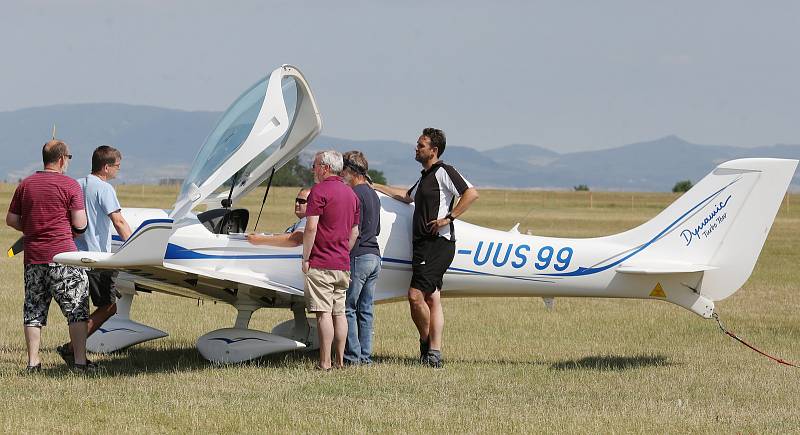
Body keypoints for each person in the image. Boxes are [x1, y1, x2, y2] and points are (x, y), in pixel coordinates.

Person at [373, 128, 479, 368]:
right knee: (432, 297)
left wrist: (448, 218)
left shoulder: (444, 172)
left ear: (434, 150)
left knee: (415, 296)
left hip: (437, 244)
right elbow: (405, 196)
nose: (416, 148)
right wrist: (375, 185)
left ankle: (426, 342)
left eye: (421, 145)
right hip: (422, 245)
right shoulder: (425, 176)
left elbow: (471, 194)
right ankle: (434, 352)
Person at [5, 140, 92, 371]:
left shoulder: (26, 184)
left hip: (33, 257)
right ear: (62, 159)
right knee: (76, 310)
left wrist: (32, 228)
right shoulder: (71, 186)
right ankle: (80, 362)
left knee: (33, 309)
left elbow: (11, 220)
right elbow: (80, 224)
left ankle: (33, 362)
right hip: (64, 257)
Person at [57, 145, 133, 364]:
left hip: (74, 256)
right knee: (109, 307)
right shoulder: (105, 188)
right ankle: (72, 348)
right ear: (106, 167)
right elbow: (118, 221)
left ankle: (74, 349)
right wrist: (135, 247)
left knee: (80, 309)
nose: (119, 170)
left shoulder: (76, 184)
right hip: (97, 259)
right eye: (117, 166)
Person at [302, 150, 360, 371]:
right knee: (340, 312)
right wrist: (342, 251)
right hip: (342, 264)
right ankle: (341, 361)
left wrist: (306, 257)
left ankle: (324, 362)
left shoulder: (318, 191)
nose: (313, 169)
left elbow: (311, 227)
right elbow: (354, 232)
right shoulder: (352, 195)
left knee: (323, 314)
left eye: (315, 165)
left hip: (321, 262)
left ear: (325, 167)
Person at [341, 151, 382, 366]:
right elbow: (376, 228)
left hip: (358, 255)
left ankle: (352, 357)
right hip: (375, 255)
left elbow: (352, 229)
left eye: (343, 172)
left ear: (350, 171)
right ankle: (365, 356)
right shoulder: (373, 194)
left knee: (348, 307)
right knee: (366, 310)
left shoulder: (354, 194)